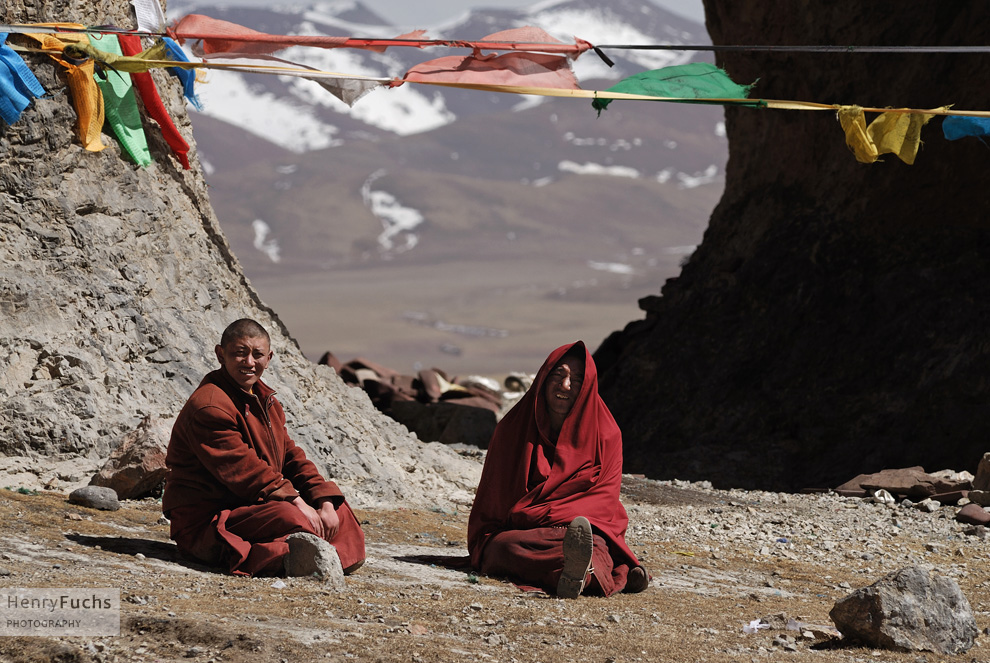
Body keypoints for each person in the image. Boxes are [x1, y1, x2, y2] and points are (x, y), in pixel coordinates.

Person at [163, 318, 365, 578]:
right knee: (290, 515)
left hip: (253, 505)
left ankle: (315, 555)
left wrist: (322, 499)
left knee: (337, 510)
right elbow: (246, 471)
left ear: (268, 358)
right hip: (209, 520)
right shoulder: (210, 406)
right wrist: (298, 502)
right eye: (239, 353)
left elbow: (291, 456)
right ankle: (301, 556)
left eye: (257, 354)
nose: (249, 362)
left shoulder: (264, 400)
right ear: (220, 354)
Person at [467, 341, 648, 598]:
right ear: (542, 378)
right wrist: (538, 520)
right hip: (523, 533)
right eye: (558, 375)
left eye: (576, 380)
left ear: (587, 387)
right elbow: (493, 502)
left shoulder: (606, 435)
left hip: (582, 530)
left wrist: (561, 522)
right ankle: (589, 574)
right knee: (500, 547)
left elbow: (603, 502)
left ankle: (581, 570)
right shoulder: (513, 429)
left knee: (595, 545)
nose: (565, 386)